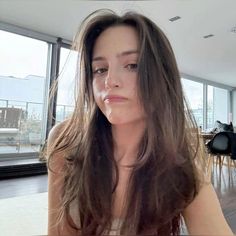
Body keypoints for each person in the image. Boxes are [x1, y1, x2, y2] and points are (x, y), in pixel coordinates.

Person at [47, 9, 234, 236]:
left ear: (161, 78)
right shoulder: (66, 141)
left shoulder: (181, 166)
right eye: (100, 69)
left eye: (132, 65)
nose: (110, 80)